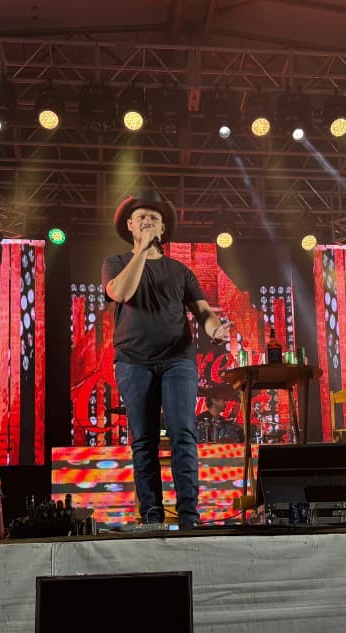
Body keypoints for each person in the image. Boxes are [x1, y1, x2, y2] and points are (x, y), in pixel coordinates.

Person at [103, 190, 230, 527]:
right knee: (143, 440)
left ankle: (189, 516)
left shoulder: (180, 271)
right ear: (130, 226)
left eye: (154, 219)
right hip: (133, 361)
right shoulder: (116, 263)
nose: (147, 222)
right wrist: (142, 252)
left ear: (162, 229)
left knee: (183, 434)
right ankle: (152, 516)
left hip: (178, 359)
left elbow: (203, 312)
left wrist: (216, 330)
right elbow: (121, 292)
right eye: (141, 218)